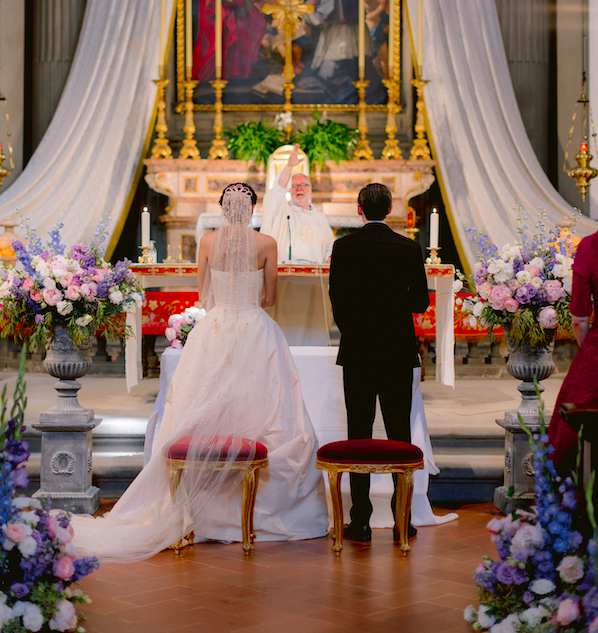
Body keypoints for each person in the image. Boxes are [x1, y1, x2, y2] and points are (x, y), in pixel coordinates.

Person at [71, 183, 329, 562]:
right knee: (269, 408)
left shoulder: (208, 242)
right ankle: (253, 514)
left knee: (200, 406)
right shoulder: (267, 243)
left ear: (223, 208)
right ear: (253, 209)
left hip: (215, 329)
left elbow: (203, 295)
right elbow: (270, 299)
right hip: (257, 329)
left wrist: (224, 307)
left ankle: (195, 510)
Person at [329, 182, 430, 542]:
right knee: (399, 435)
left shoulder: (344, 247)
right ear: (390, 210)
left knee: (358, 434)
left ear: (360, 209)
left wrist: (356, 330)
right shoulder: (407, 247)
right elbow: (420, 304)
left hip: (357, 351)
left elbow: (337, 302)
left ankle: (361, 521)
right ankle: (403, 518)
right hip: (397, 350)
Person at [547, 232, 598, 471]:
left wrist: (589, 349)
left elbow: (579, 316)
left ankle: (577, 501)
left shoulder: (591, 244)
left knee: (569, 435)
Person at [261, 143, 334, 263]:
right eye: (294, 186)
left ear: (310, 189)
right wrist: (289, 166)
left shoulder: (319, 217)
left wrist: (329, 258)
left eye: (303, 185)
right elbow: (278, 189)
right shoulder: (283, 209)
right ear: (289, 190)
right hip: (287, 273)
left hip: (314, 274)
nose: (299, 189)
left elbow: (330, 243)